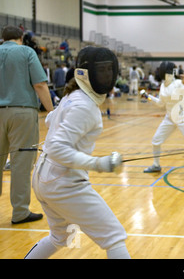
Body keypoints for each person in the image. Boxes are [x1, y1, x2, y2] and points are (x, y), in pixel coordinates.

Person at [24, 46, 130, 259]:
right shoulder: (84, 105)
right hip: (63, 184)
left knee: (59, 238)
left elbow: (50, 119)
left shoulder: (74, 96)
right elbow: (56, 147)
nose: (108, 76)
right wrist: (99, 163)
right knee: (114, 236)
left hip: (45, 179)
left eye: (110, 70)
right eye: (102, 71)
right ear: (85, 73)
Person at [0, 25, 54, 224]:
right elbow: (39, 84)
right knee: (21, 163)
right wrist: (51, 111)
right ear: (20, 38)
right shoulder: (26, 52)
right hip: (22, 112)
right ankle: (20, 212)